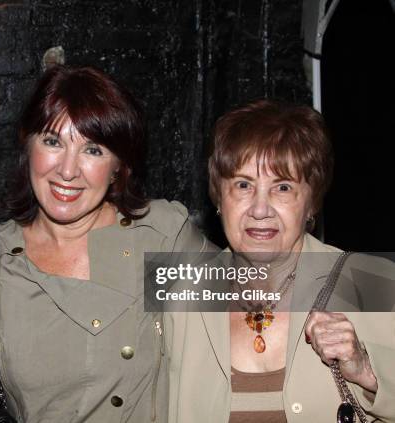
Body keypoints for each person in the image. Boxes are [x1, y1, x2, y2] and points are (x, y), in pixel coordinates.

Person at [0, 65, 210, 422]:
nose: (67, 170)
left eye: (92, 150)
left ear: (118, 167)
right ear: (27, 143)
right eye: (52, 141)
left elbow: (257, 302)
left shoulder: (156, 239)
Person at [166, 99, 395, 422]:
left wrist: (368, 373)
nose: (260, 210)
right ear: (219, 198)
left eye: (282, 187)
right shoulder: (183, 295)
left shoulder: (372, 282)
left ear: (311, 202)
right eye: (243, 185)